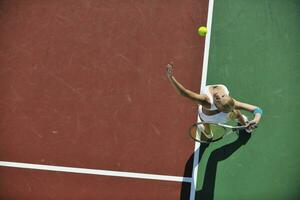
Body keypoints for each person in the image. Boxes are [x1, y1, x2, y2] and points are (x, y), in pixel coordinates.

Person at [166, 63, 262, 140]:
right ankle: (245, 125)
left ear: (217, 106)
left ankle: (208, 133)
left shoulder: (207, 102)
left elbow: (184, 93)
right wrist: (255, 120)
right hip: (224, 116)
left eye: (217, 100)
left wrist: (171, 77)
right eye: (223, 95)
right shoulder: (230, 102)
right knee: (236, 112)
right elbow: (257, 110)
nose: (218, 95)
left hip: (208, 117)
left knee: (204, 120)